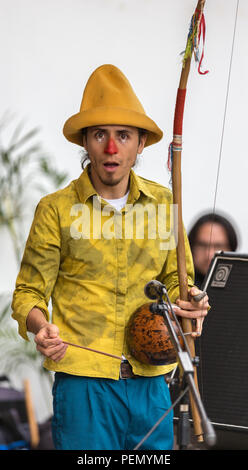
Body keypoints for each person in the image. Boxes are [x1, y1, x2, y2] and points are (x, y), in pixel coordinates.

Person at [11, 64, 209, 450]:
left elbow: (176, 282)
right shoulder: (55, 210)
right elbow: (28, 293)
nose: (112, 148)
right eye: (100, 134)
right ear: (85, 141)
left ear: (139, 144)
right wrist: (40, 325)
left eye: (123, 136)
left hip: (152, 383)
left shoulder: (164, 204)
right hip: (83, 387)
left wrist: (193, 301)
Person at [188, 212, 238, 288]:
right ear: (191, 247)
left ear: (231, 250)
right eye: (202, 245)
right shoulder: (176, 286)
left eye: (218, 246)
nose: (210, 255)